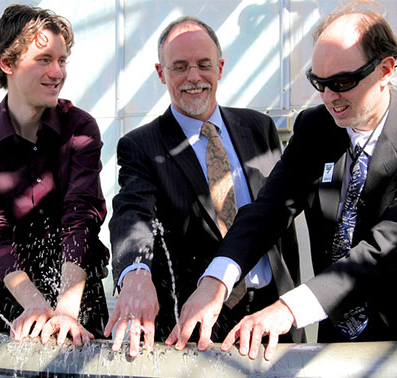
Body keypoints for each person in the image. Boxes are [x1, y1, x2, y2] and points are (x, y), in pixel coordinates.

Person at [172, 1, 397, 364]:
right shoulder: (316, 127)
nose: (329, 97)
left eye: (342, 82)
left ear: (385, 69)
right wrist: (214, 281)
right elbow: (269, 209)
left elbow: (386, 249)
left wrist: (286, 309)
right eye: (318, 82)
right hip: (351, 341)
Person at [105, 16, 301, 357]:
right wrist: (136, 272)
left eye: (203, 65)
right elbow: (131, 213)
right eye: (179, 67)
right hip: (197, 324)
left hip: (271, 311)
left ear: (220, 67)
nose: (193, 77)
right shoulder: (141, 145)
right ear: (161, 73)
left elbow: (277, 212)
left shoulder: (260, 128)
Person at [0, 4, 109, 346]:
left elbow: (81, 215)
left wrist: (65, 312)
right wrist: (37, 306)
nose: (57, 72)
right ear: (6, 63)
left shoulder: (80, 127)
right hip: (13, 299)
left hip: (79, 297)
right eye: (44, 59)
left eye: (62, 60)